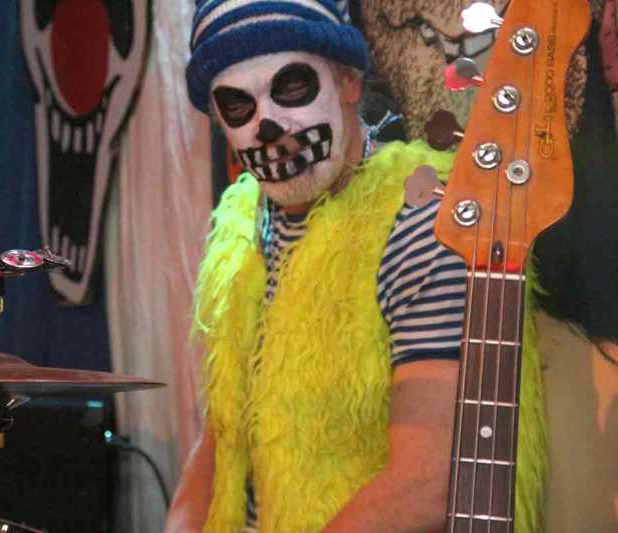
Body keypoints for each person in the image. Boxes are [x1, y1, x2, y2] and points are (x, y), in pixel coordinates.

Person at [165, 1, 546, 531]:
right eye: (237, 106)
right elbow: (224, 433)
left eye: (291, 87)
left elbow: (429, 478)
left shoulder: (423, 223)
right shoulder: (239, 229)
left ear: (348, 82)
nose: (267, 127)